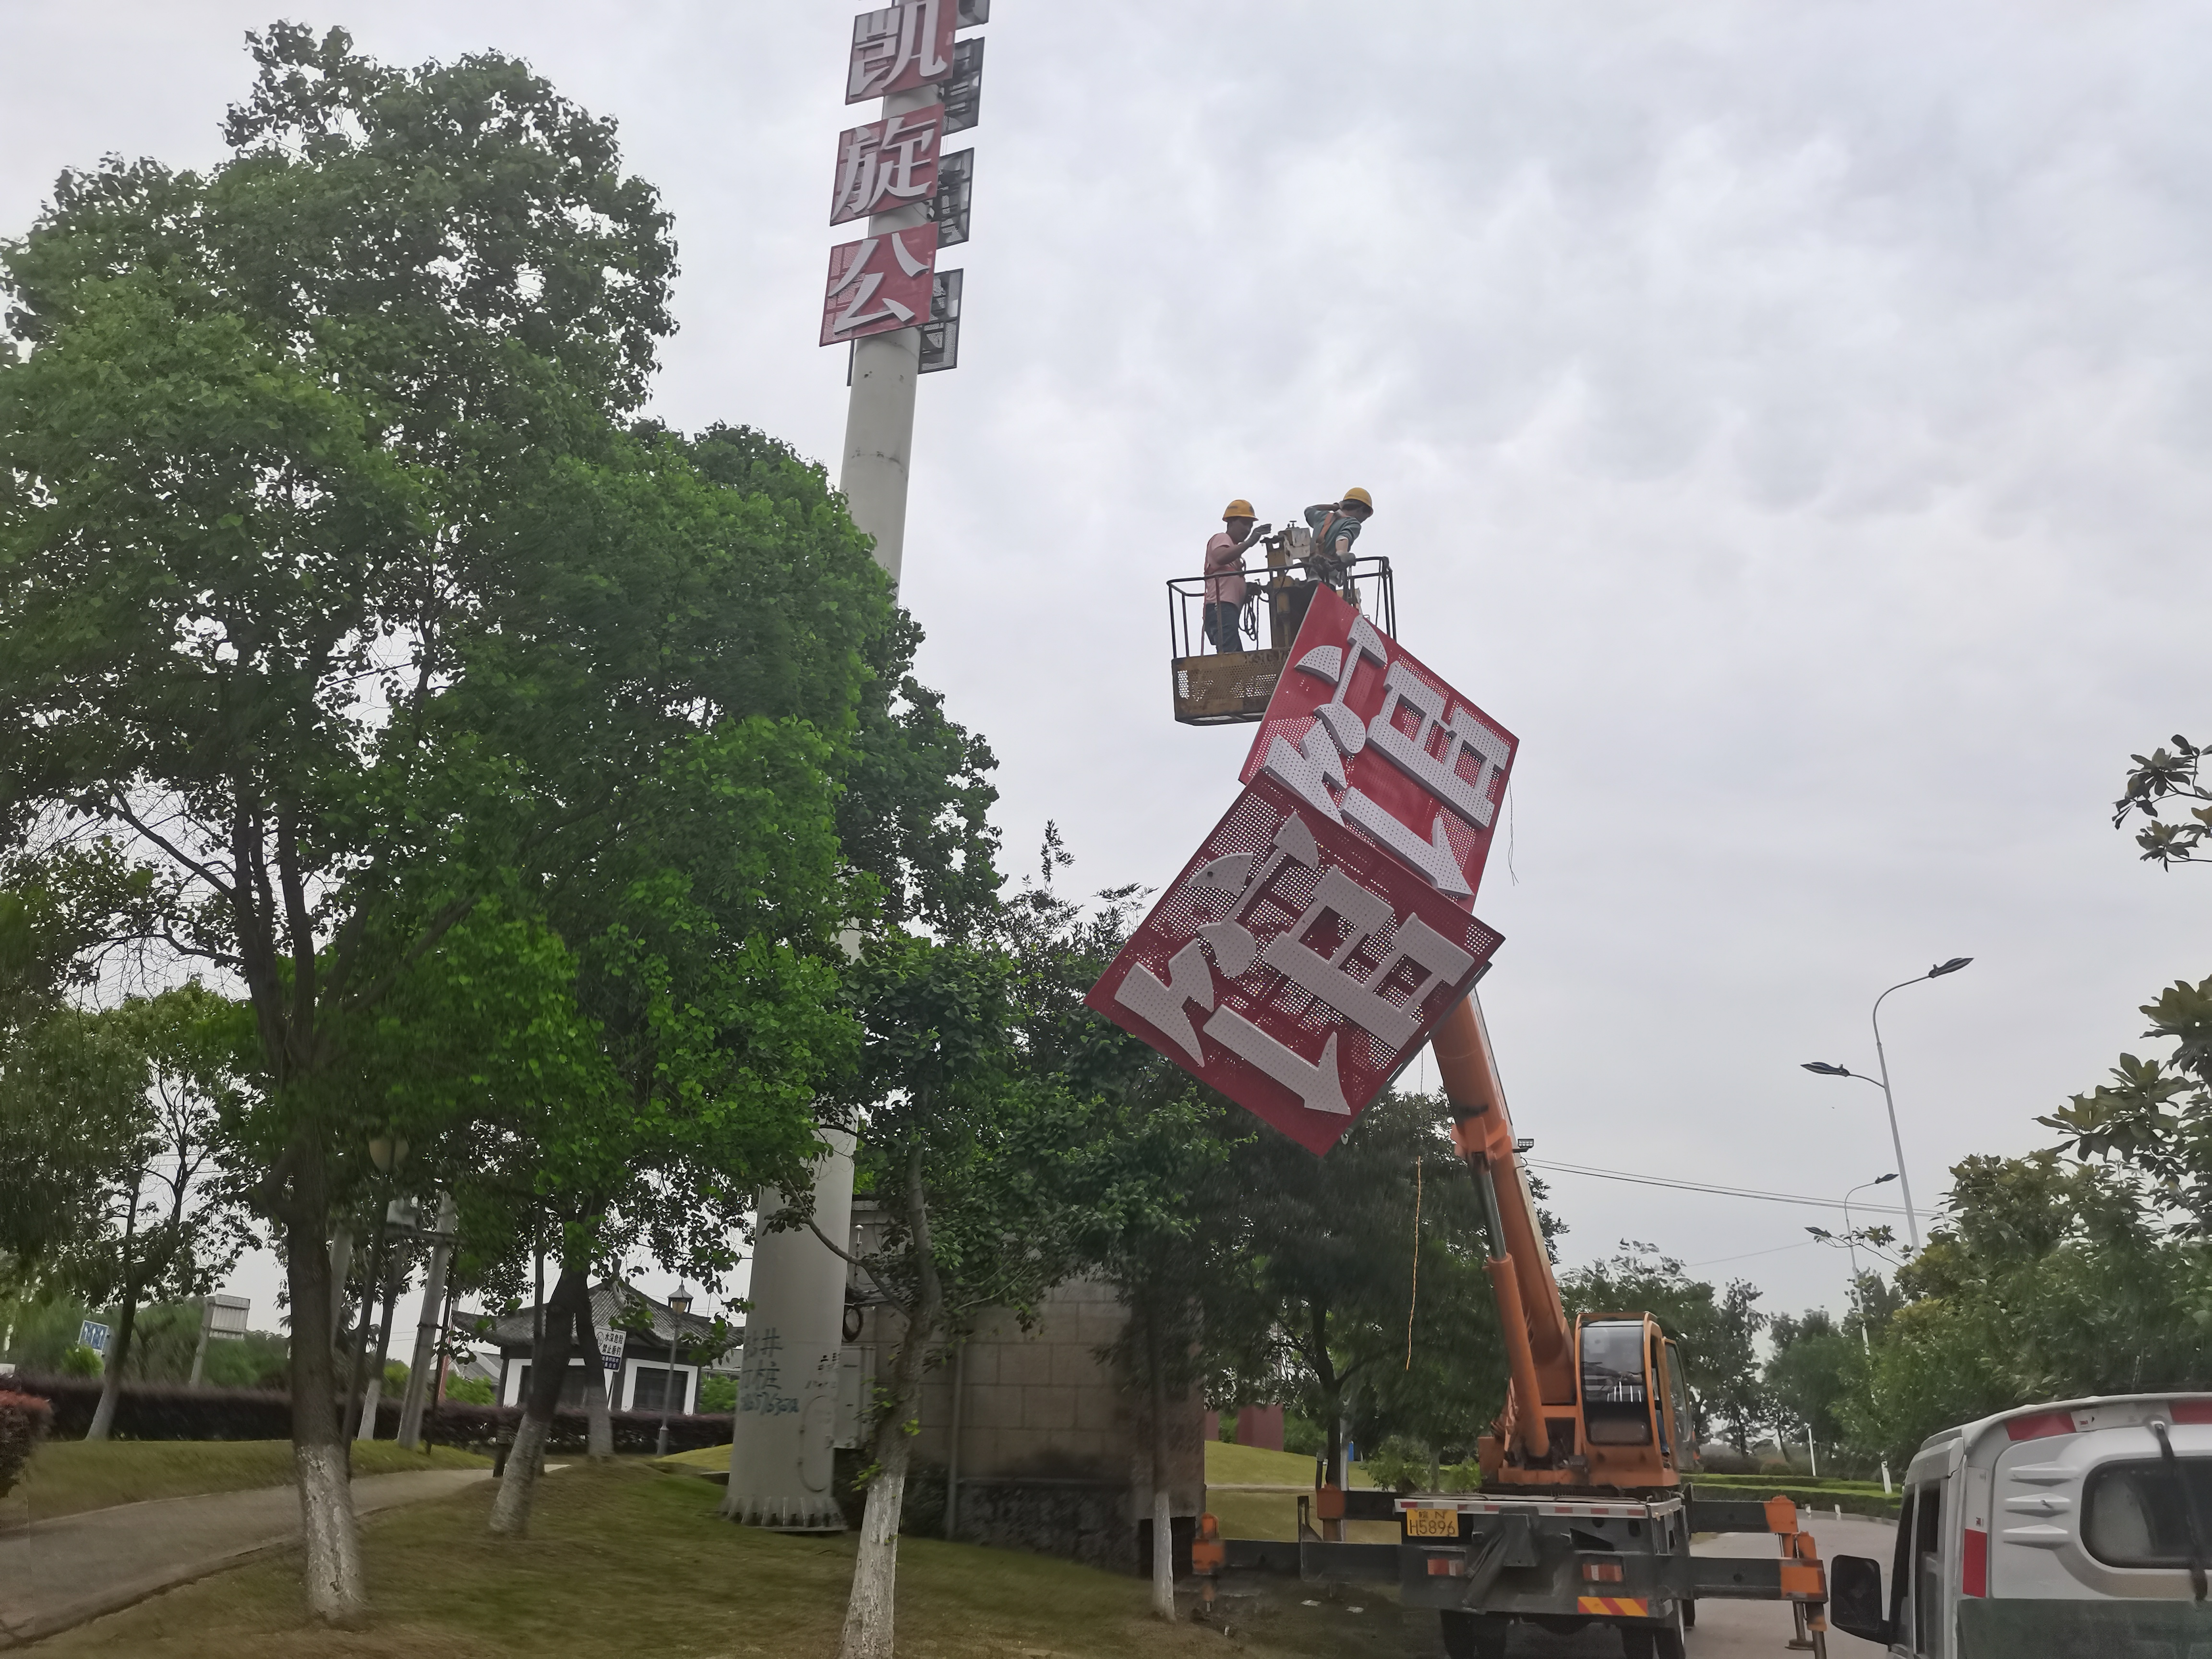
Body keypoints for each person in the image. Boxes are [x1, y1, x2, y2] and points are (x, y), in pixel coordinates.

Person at [1203, 499, 1271, 654]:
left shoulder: (1234, 551)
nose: (1248, 530)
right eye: (1245, 524)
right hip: (1220, 608)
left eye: (1251, 526)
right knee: (1232, 656)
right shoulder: (1222, 538)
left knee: (1234, 654)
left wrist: (1247, 589)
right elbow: (1220, 557)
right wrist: (1249, 543)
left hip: (1228, 609)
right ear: (1231, 522)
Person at [1302, 486, 1374, 593]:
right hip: (1329, 578)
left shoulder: (1322, 517)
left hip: (1311, 574)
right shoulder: (1353, 523)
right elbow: (1343, 537)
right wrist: (1342, 553)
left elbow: (1309, 510)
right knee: (1325, 602)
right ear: (1362, 510)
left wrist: (1336, 507)